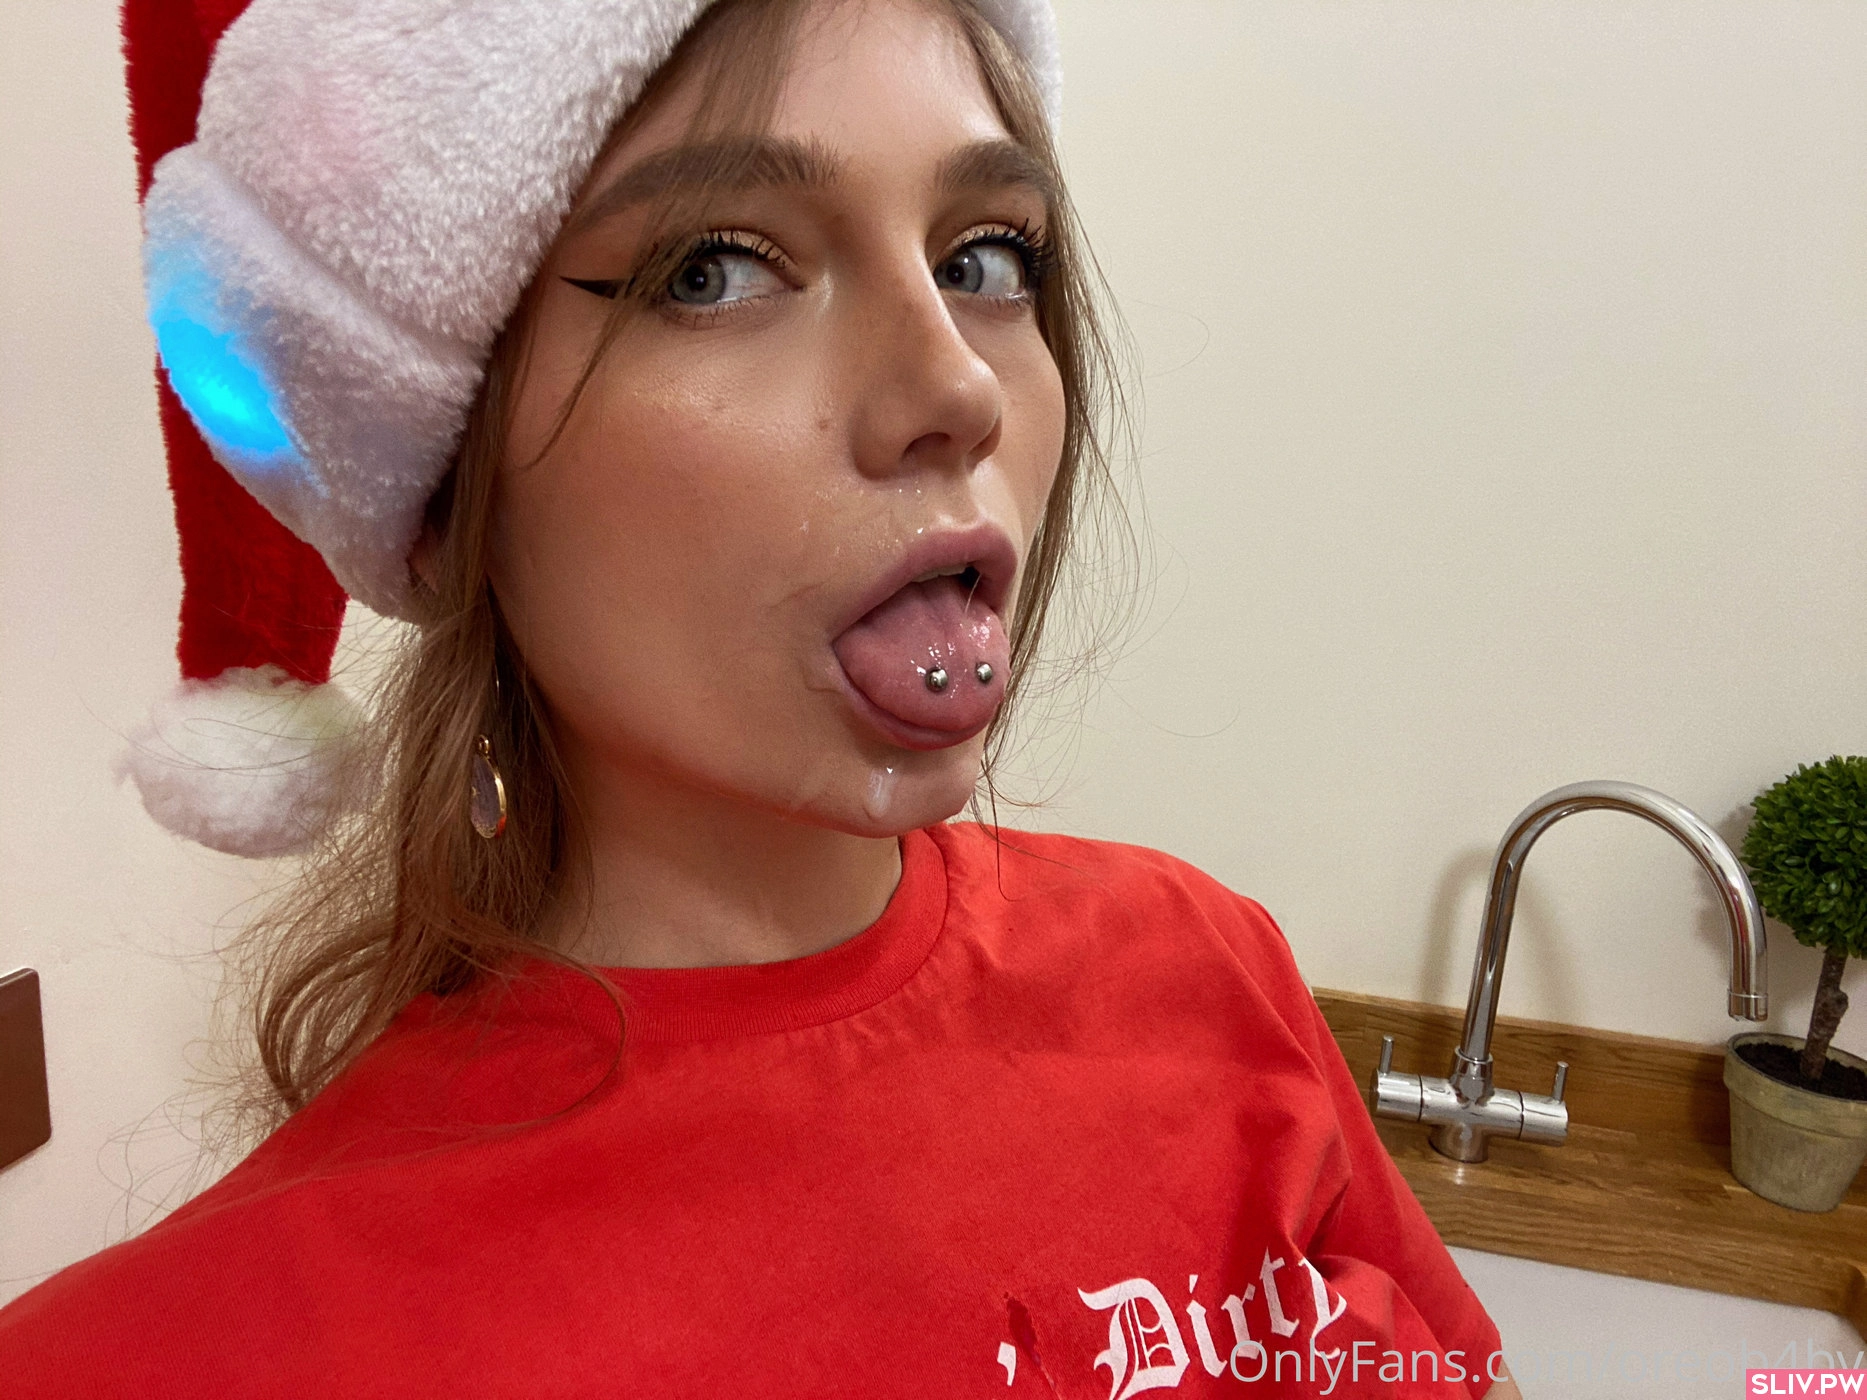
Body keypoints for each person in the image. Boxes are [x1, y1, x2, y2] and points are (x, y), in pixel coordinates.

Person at [0, 0, 1522, 1394]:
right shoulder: (156, 1363)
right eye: (712, 269)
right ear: (449, 486)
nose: (957, 387)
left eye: (985, 259)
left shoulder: (1209, 963)